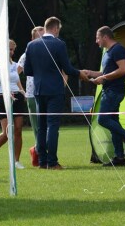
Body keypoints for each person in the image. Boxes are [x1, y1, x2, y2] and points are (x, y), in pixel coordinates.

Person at [24, 16, 88, 169]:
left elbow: (27, 71)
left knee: (41, 127)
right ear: (56, 28)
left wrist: (41, 74)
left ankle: (42, 162)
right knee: (53, 126)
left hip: (38, 90)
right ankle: (52, 163)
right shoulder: (59, 45)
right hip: (54, 91)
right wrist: (80, 73)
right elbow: (67, 69)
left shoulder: (31, 45)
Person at [86, 26, 125, 166]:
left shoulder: (118, 49)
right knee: (113, 122)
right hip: (108, 90)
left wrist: (104, 78)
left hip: (114, 91)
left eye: (98, 38)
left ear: (105, 37)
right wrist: (89, 73)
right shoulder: (107, 53)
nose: (96, 41)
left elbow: (123, 70)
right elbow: (104, 72)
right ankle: (120, 158)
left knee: (103, 119)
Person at [0, 39, 27, 169]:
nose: (12, 52)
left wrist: (23, 93)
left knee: (18, 129)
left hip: (17, 97)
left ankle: (16, 161)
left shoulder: (14, 65)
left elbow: (17, 82)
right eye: (9, 49)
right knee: (8, 131)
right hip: (2, 97)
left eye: (13, 50)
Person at [17, 26, 45, 167]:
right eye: (38, 37)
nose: (42, 40)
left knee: (48, 126)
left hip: (47, 93)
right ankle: (38, 153)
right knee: (37, 126)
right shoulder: (26, 54)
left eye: (43, 36)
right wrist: (21, 90)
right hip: (32, 95)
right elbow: (15, 73)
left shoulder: (50, 51)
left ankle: (38, 151)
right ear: (32, 39)